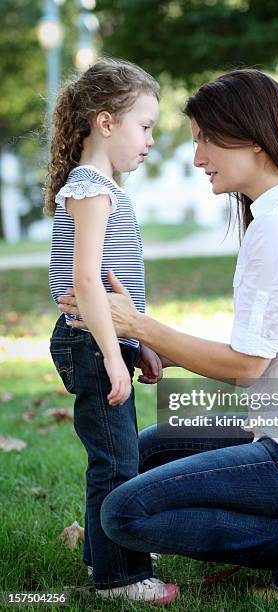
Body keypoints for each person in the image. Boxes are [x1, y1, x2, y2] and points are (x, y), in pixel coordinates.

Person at [58, 68, 278, 602]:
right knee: (146, 454)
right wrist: (163, 348)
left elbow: (247, 366)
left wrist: (136, 324)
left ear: (251, 139)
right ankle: (119, 559)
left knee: (126, 511)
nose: (197, 157)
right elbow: (266, 350)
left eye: (205, 140)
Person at [46, 58, 179, 605]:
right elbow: (82, 277)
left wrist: (139, 341)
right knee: (117, 461)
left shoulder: (101, 186)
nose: (150, 139)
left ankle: (100, 552)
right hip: (89, 340)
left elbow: (111, 282)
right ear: (106, 122)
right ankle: (120, 576)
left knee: (113, 452)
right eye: (144, 126)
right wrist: (110, 353)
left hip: (104, 336)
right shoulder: (91, 188)